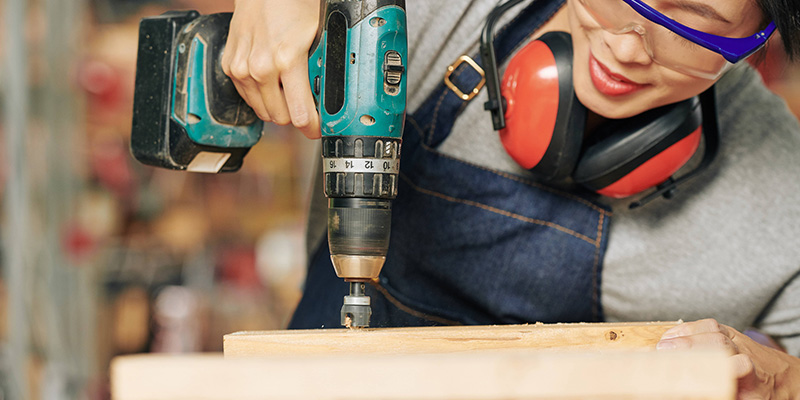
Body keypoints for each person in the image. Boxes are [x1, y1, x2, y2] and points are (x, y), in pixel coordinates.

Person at [222, 0, 800, 397]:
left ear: (756, 41)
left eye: (693, 24)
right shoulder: (415, 20)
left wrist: (782, 382)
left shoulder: (776, 189)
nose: (628, 47)